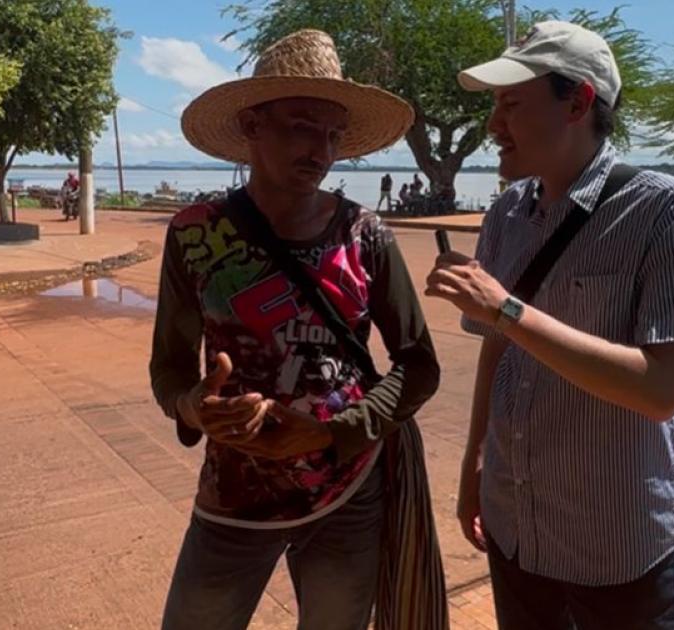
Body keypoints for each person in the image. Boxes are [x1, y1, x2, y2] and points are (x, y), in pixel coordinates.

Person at [426, 21, 674, 630]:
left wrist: (508, 308)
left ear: (578, 101)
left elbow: (661, 390)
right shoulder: (509, 212)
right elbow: (497, 349)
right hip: (518, 527)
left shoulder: (669, 210)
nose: (493, 125)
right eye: (494, 105)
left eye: (512, 104)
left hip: (620, 548)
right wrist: (474, 467)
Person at [151, 29, 447, 630]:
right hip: (234, 495)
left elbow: (418, 363)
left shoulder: (366, 235)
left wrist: (328, 434)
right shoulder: (195, 234)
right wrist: (194, 408)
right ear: (252, 125)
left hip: (348, 489)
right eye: (302, 126)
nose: (321, 150)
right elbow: (170, 366)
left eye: (334, 135)